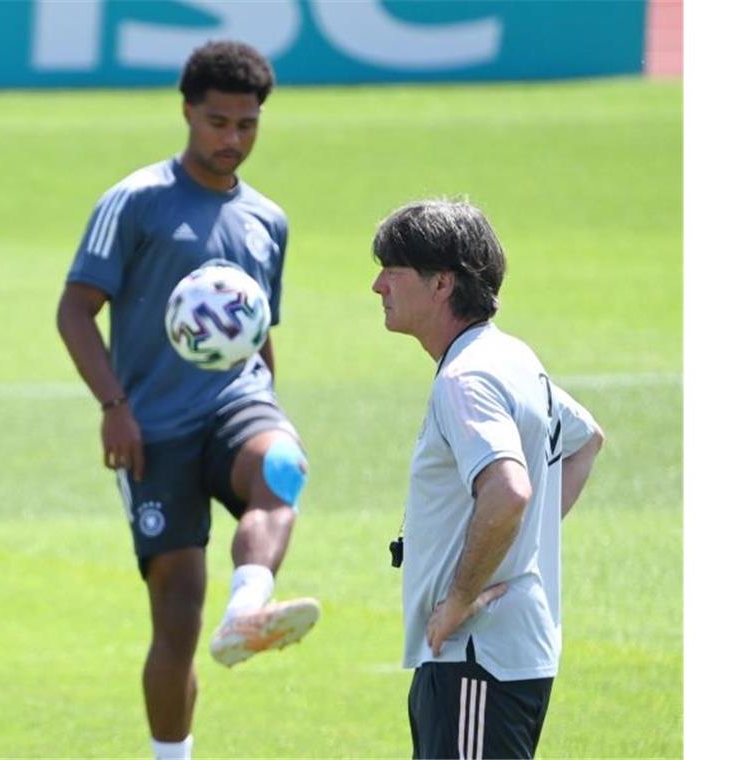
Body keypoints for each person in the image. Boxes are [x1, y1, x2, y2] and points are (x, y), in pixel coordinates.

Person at [56, 40, 320, 760]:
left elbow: (257, 331)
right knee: (175, 616)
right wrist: (114, 405)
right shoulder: (135, 202)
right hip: (153, 427)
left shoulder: (268, 219)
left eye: (247, 125)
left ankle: (247, 609)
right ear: (186, 112)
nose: (232, 139)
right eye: (217, 122)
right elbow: (75, 310)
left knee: (283, 468)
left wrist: (272, 403)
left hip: (237, 404)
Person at [369, 199, 605, 759]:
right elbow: (586, 441)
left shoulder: (465, 378)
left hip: (476, 657)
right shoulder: (511, 357)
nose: (377, 285)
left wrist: (459, 598)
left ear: (441, 283)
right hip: (499, 655)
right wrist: (519, 545)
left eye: (393, 270)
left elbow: (509, 491)